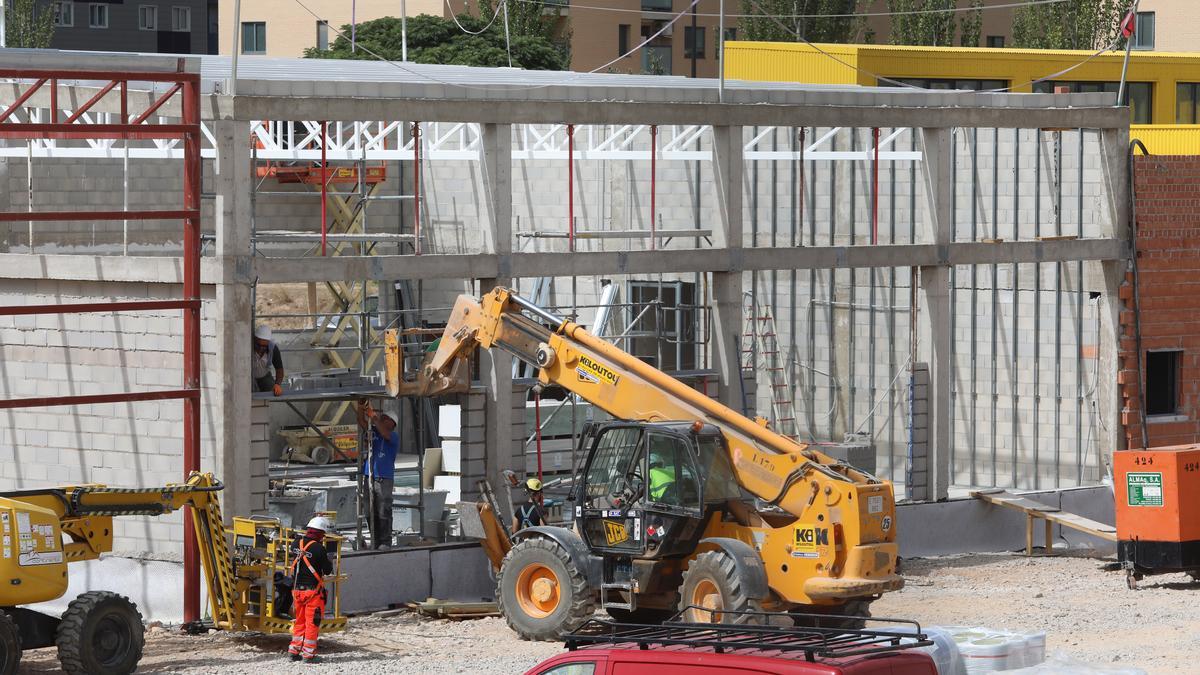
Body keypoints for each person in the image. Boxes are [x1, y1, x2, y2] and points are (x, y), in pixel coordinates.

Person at [287, 516, 334, 664]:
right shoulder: (319, 548)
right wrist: (330, 558)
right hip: (313, 593)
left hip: (297, 592)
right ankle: (308, 654)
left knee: (299, 622)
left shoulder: (296, 543)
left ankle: (294, 651)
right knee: (312, 623)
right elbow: (327, 571)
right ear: (320, 533)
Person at [356, 400, 399, 549]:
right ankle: (375, 540)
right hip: (370, 477)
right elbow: (361, 421)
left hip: (384, 479)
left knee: (383, 510)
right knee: (369, 510)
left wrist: (373, 416)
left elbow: (385, 434)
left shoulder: (392, 436)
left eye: (384, 418)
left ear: (391, 423)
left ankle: (385, 542)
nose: (381, 419)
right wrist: (361, 407)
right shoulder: (374, 432)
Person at [252, 324, 285, 396]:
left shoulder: (273, 349)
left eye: (264, 346)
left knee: (272, 393)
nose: (261, 348)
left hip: (264, 376)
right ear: (254, 339)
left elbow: (279, 369)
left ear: (268, 342)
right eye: (258, 345)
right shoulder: (248, 346)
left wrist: (277, 384)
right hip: (249, 378)